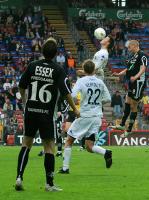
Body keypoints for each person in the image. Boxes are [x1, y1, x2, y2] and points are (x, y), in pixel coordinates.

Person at [15, 38, 79, 192]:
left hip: (31, 111)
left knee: (26, 144)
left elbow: (21, 86)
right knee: (49, 147)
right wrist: (75, 109)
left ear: (42, 51)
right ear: (56, 54)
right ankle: (49, 184)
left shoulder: (32, 66)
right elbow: (66, 93)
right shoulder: (58, 70)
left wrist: (25, 102)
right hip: (46, 113)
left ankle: (19, 177)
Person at [58, 59, 112, 174]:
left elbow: (72, 96)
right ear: (94, 70)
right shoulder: (100, 82)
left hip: (85, 115)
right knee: (89, 146)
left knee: (68, 140)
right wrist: (97, 103)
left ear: (84, 69)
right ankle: (106, 152)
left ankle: (65, 168)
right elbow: (108, 99)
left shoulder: (81, 81)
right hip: (97, 117)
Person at [111, 40, 148, 138]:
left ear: (134, 45)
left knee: (133, 105)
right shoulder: (133, 56)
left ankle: (129, 129)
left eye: (129, 47)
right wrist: (119, 74)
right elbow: (128, 69)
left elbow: (143, 68)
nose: (128, 49)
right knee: (127, 101)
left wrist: (135, 77)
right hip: (132, 82)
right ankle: (122, 125)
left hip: (138, 83)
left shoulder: (142, 55)